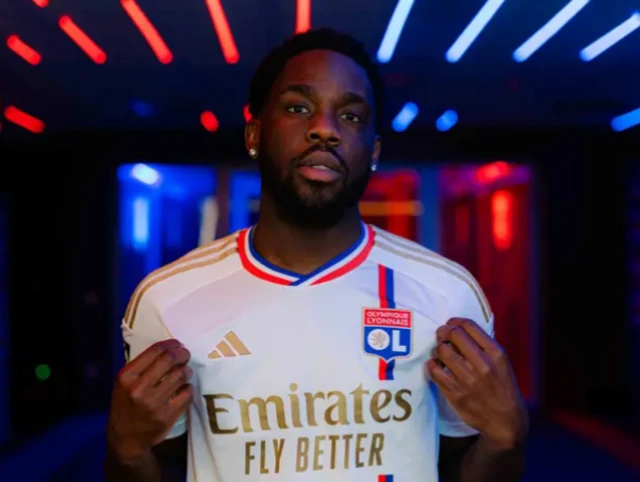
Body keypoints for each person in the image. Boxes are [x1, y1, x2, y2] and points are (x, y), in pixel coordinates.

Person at [105, 28, 528, 482]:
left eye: (350, 116)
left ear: (373, 151)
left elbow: (462, 461)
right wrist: (125, 451)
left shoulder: (447, 293)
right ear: (254, 134)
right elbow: (152, 459)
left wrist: (507, 439)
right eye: (298, 107)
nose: (324, 128)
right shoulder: (168, 297)